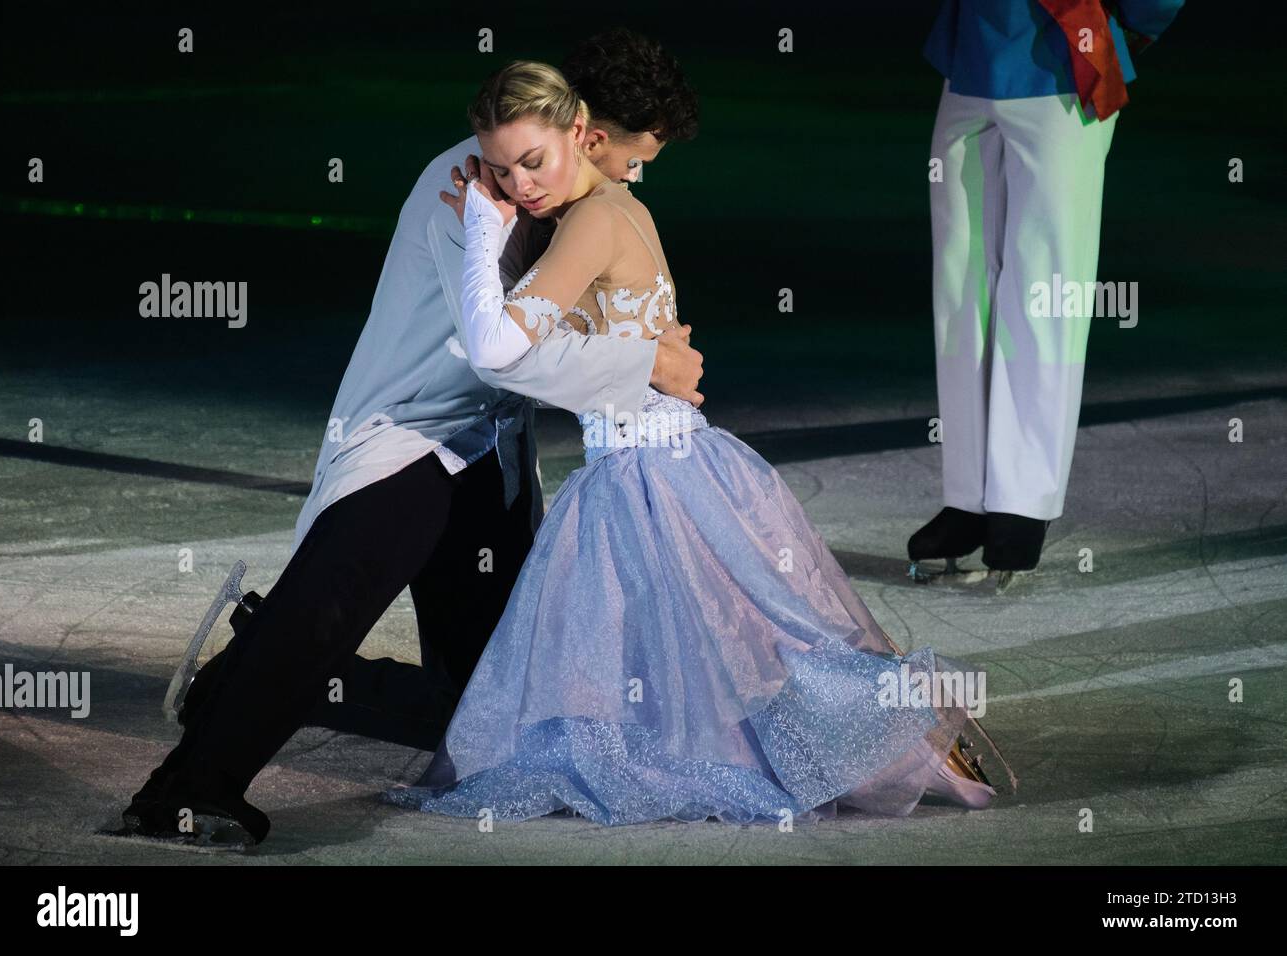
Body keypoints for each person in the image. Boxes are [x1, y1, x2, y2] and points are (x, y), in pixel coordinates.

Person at [118, 31, 703, 848]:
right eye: (636, 160)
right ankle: (185, 790)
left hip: (489, 457)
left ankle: (256, 666)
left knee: (491, 706)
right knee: (326, 610)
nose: (637, 178)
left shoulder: (568, 203)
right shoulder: (467, 189)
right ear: (591, 137)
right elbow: (512, 354)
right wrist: (647, 365)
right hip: (412, 437)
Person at [386, 60, 1005, 826]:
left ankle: (899, 731)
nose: (520, 184)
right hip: (666, 459)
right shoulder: (608, 209)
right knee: (727, 642)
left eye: (534, 161)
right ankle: (898, 730)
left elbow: (496, 345)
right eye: (505, 170)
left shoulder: (593, 222)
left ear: (581, 133)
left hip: (651, 473)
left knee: (753, 640)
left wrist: (482, 231)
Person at [908, 0, 1184, 587]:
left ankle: (1022, 501)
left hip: (1066, 56)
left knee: (1045, 292)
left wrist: (1134, 25)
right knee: (960, 292)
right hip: (969, 62)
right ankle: (969, 496)